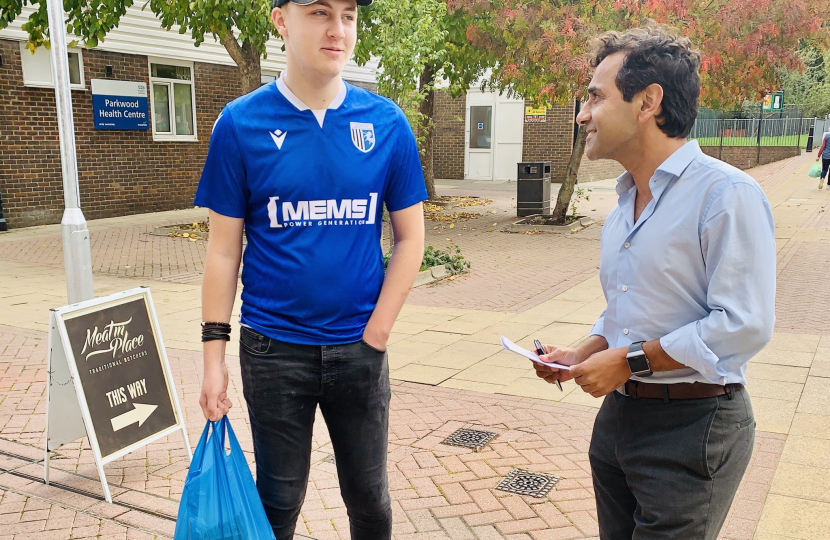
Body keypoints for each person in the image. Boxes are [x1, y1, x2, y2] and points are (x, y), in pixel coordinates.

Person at [194, 0, 428, 538]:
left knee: (369, 499)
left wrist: (378, 330)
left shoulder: (386, 123)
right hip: (273, 350)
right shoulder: (240, 124)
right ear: (281, 19)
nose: (337, 29)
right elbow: (223, 252)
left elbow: (412, 237)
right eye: (320, 12)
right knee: (277, 503)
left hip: (359, 350)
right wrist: (213, 359)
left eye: (348, 15)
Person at [533, 27, 775, 539]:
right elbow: (629, 309)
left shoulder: (726, 194)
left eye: (596, 97)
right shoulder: (624, 204)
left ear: (648, 101)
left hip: (693, 425)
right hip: (619, 420)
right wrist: (585, 350)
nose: (582, 114)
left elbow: (743, 325)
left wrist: (628, 361)